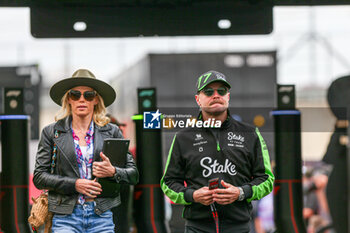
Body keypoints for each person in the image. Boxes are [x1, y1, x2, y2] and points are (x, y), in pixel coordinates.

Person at [161, 70, 274, 233]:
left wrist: (241, 192)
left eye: (221, 91)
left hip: (239, 226)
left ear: (228, 96)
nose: (216, 95)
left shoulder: (250, 134)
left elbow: (266, 179)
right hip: (197, 227)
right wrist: (192, 195)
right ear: (198, 99)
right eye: (208, 91)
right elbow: (168, 182)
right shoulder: (183, 137)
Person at [33, 69, 139, 233]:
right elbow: (39, 177)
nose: (82, 99)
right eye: (75, 94)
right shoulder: (51, 132)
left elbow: (133, 175)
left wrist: (112, 171)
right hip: (65, 217)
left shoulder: (112, 131)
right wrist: (75, 184)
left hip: (101, 216)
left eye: (88, 95)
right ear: (69, 99)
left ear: (96, 99)